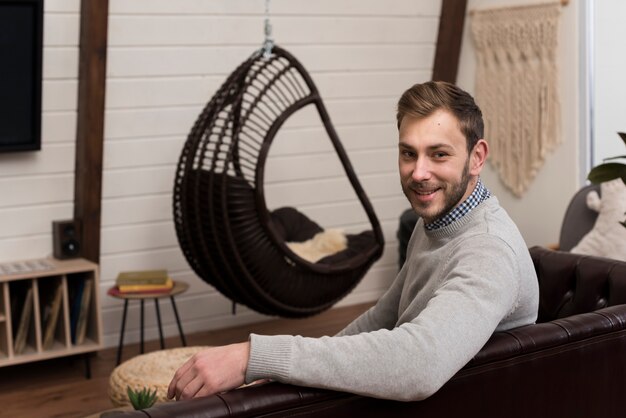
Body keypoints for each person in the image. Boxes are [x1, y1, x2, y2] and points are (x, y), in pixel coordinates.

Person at [167, 81, 539, 402]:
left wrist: (254, 356)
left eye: (438, 154)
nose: (418, 172)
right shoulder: (435, 223)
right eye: (408, 153)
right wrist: (277, 370)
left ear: (477, 158)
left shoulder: (487, 250)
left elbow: (418, 364)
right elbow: (384, 317)